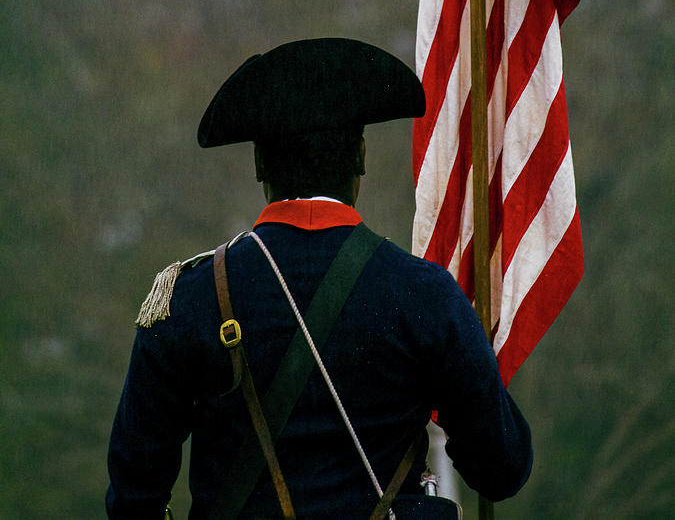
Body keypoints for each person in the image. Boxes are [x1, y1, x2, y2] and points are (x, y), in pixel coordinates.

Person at [106, 38, 532, 519]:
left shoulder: (188, 299)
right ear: (361, 158)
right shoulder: (426, 295)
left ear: (260, 165)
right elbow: (502, 468)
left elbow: (134, 495)